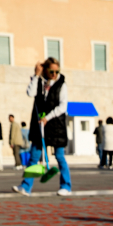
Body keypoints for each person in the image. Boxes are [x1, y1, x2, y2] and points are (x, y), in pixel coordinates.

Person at [12, 57, 72, 196]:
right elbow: (30, 93)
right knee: (34, 157)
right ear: (45, 70)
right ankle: (26, 186)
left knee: (59, 156)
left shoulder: (62, 85)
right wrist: (36, 75)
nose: (54, 74)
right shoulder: (38, 81)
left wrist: (48, 117)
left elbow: (63, 107)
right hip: (40, 125)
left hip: (56, 125)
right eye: (51, 71)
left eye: (57, 71)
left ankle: (66, 186)